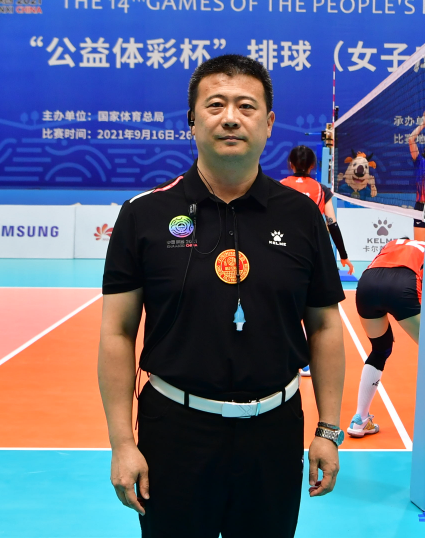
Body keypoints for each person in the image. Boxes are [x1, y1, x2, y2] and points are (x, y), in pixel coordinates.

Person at [98, 54, 346, 538]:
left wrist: (328, 429)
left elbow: (324, 324)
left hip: (275, 432)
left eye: (246, 106)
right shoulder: (143, 214)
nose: (231, 117)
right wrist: (121, 443)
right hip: (174, 432)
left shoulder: (301, 216)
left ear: (268, 123)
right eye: (215, 105)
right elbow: (117, 332)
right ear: (192, 121)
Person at [281, 145, 354, 377]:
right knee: (316, 310)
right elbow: (332, 224)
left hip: (283, 253)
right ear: (313, 166)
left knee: (287, 307)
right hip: (312, 255)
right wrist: (343, 255)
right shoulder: (322, 190)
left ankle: (289, 358)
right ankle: (309, 360)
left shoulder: (280, 187)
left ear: (290, 164)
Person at [348, 238, 422, 437]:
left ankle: (360, 420)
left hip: (367, 285)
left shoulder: (392, 244)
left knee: (380, 349)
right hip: (403, 286)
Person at [408, 111, 425, 240]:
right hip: (420, 206)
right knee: (420, 246)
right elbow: (411, 139)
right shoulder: (420, 161)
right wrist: (423, 124)